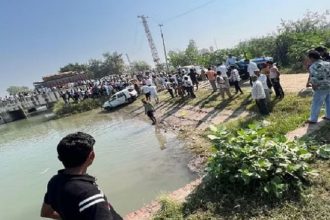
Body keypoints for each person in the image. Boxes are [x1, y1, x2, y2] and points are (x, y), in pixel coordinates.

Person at [41, 132, 122, 220]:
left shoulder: (55, 182)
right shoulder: (90, 194)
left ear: (60, 158)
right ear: (92, 156)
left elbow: (46, 212)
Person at [305, 50, 330, 124]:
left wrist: (313, 86)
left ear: (312, 58)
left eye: (309, 58)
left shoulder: (313, 66)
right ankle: (329, 116)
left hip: (321, 87)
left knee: (316, 103)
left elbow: (314, 78)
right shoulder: (328, 63)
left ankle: (313, 119)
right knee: (329, 101)